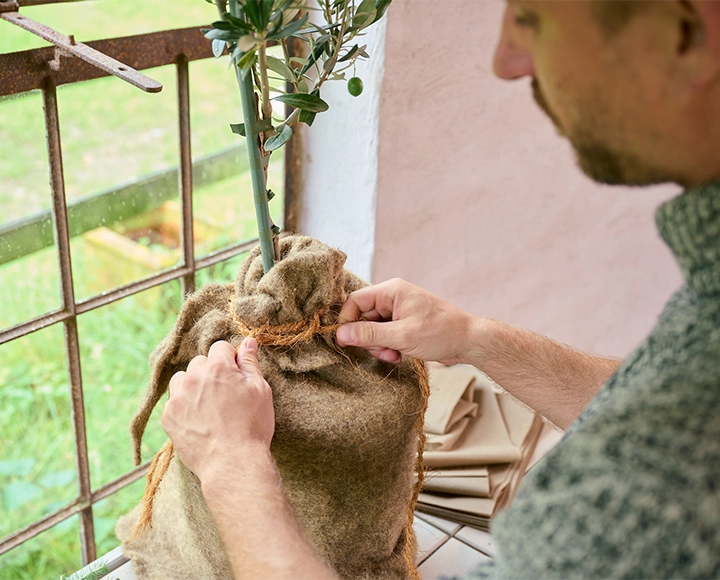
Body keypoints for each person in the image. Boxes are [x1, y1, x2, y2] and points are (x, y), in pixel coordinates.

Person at [160, 0, 720, 578]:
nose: (506, 61)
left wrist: (229, 464)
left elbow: (675, 424)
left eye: (530, 18)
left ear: (684, 33)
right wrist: (472, 338)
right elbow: (656, 389)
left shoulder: (656, 505)